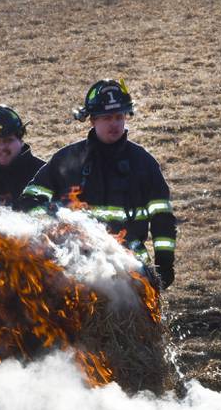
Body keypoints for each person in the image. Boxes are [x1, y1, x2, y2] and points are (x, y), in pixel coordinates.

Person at [18, 79, 177, 288]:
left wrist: (164, 263)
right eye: (107, 117)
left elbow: (162, 217)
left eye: (119, 116)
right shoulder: (68, 159)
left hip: (131, 267)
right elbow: (29, 200)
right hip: (75, 265)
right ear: (92, 120)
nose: (114, 123)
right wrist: (55, 226)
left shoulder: (144, 163)